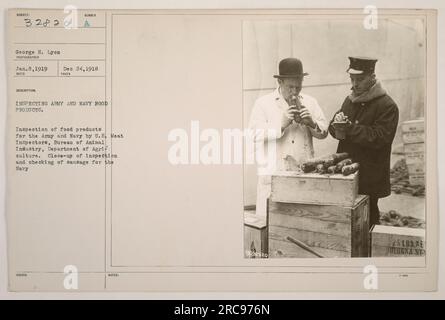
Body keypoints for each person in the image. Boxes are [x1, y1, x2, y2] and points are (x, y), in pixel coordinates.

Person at [248, 57, 328, 216]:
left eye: (298, 87)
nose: (294, 92)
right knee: (271, 223)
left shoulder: (310, 102)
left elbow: (324, 132)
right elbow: (254, 134)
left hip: (302, 172)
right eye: (290, 87)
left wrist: (311, 123)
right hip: (273, 172)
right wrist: (281, 124)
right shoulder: (263, 103)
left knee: (301, 218)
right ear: (280, 82)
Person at [329, 56, 399, 228]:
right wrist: (335, 127)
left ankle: (368, 253)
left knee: (367, 220)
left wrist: (349, 128)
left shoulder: (387, 105)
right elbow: (334, 128)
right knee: (344, 220)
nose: (355, 84)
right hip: (345, 172)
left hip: (369, 177)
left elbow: (380, 138)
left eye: (359, 79)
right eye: (352, 79)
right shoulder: (350, 100)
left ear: (372, 77)